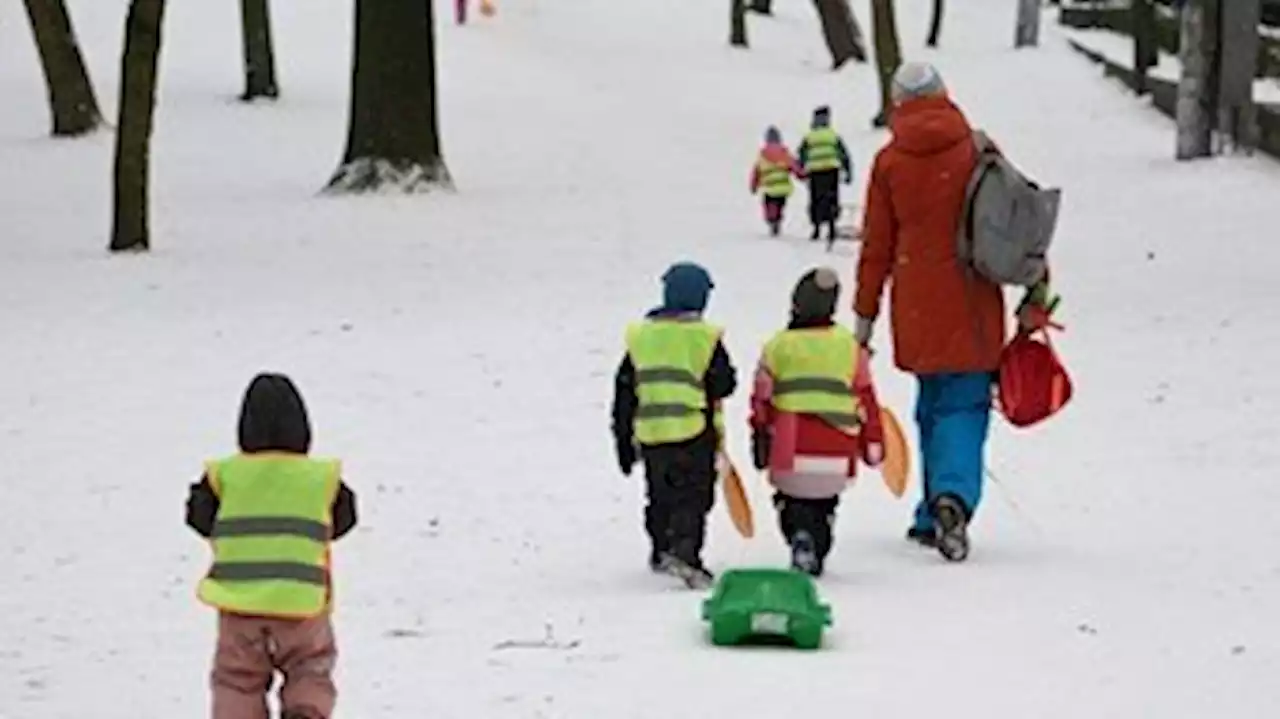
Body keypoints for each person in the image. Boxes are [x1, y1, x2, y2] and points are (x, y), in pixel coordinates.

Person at [851, 62, 1051, 562]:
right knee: (964, 406)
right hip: (972, 299)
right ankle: (952, 499)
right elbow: (1016, 221)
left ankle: (930, 510)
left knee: (931, 405)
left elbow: (876, 247)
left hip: (916, 305)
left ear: (898, 103)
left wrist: (863, 320)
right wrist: (1037, 290)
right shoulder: (977, 150)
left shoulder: (890, 163)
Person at [185, 373, 359, 719]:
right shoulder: (319, 477)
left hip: (239, 610)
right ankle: (305, 713)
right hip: (302, 606)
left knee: (237, 680)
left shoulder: (225, 475)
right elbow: (345, 518)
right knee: (310, 668)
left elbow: (198, 516)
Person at [748, 268, 883, 576]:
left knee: (791, 500)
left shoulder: (778, 346)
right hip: (837, 450)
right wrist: (873, 441)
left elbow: (761, 397)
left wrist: (759, 433)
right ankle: (817, 542)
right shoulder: (849, 348)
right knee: (825, 503)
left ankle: (799, 536)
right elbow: (866, 400)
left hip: (790, 448)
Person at [611, 262, 737, 588]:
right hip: (693, 431)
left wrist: (622, 438)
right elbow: (724, 382)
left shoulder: (642, 338)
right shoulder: (704, 337)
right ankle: (685, 552)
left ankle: (660, 548)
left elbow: (625, 390)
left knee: (659, 494)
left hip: (652, 434)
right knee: (693, 498)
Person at [798, 106, 853, 246]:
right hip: (831, 170)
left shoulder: (810, 136)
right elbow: (843, 154)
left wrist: (801, 170)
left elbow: (802, 154)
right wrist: (848, 171)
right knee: (832, 198)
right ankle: (832, 226)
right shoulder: (833, 135)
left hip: (815, 171)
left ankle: (816, 228)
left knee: (816, 198)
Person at [749, 126, 805, 236]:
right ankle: (777, 219)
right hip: (783, 187)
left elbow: (757, 171)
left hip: (769, 187)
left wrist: (754, 186)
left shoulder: (763, 155)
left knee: (769, 204)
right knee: (779, 204)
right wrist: (802, 175)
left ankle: (771, 220)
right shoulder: (784, 153)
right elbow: (794, 166)